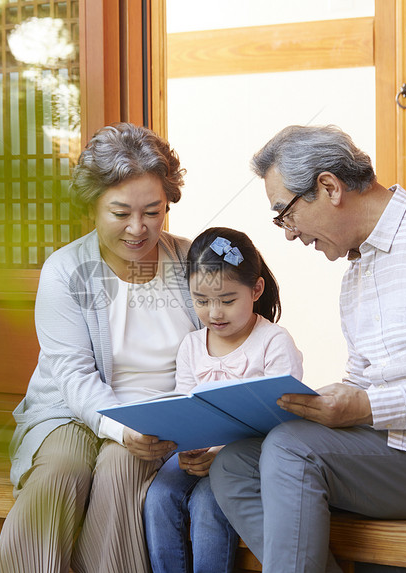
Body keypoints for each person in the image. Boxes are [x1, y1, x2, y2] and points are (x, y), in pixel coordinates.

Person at [209, 125, 406, 573]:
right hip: (397, 445)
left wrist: (365, 406)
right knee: (233, 464)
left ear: (328, 187)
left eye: (285, 213)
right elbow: (363, 383)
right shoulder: (357, 274)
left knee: (291, 448)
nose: (287, 234)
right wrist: (330, 403)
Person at [0, 123, 200, 573]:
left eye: (153, 212)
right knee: (61, 472)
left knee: (122, 466)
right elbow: (75, 376)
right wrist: (121, 428)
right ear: (92, 207)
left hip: (159, 412)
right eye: (120, 213)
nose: (138, 229)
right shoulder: (65, 270)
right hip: (68, 409)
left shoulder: (193, 259)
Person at [143, 227, 304, 573]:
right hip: (199, 452)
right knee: (158, 496)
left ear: (256, 289)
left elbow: (282, 422)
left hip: (251, 456)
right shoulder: (191, 345)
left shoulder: (273, 342)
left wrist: (222, 454)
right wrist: (187, 449)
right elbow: (186, 408)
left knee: (206, 503)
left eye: (227, 300)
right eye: (201, 300)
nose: (214, 313)